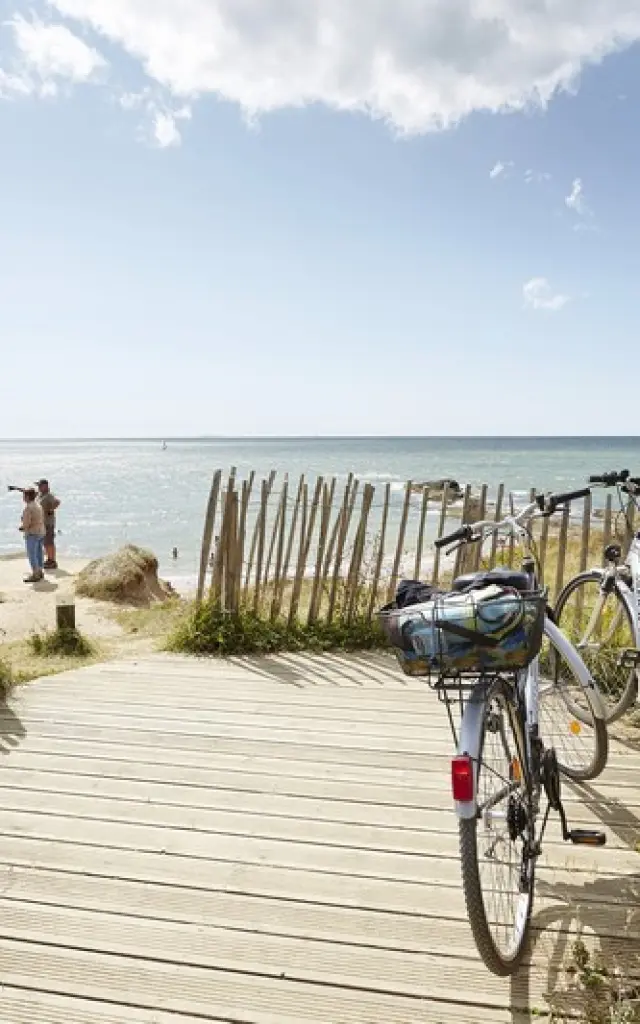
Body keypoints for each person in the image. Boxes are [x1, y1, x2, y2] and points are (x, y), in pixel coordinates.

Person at [19, 488, 45, 583]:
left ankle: (35, 574)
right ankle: (40, 571)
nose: (23, 498)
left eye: (24, 496)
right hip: (40, 531)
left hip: (32, 533)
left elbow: (27, 523)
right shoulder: (38, 505)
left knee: (32, 554)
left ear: (27, 497)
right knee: (39, 553)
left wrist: (22, 527)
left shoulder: (28, 508)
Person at [36, 478, 61, 570]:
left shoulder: (49, 495)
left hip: (48, 523)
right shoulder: (40, 495)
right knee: (45, 542)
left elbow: (57, 502)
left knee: (49, 542)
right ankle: (49, 559)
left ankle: (52, 561)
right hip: (43, 523)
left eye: (40, 486)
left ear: (45, 486)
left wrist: (50, 510)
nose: (38, 487)